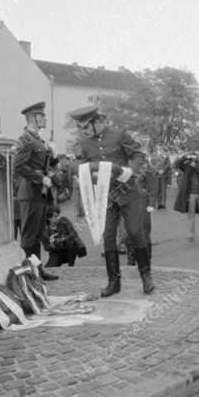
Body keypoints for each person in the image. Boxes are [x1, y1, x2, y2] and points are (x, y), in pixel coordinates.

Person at [70, 105, 153, 295]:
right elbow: (79, 165)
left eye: (85, 127)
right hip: (104, 195)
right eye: (81, 128)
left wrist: (129, 170)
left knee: (134, 232)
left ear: (97, 122)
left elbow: (138, 155)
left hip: (127, 191)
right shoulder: (85, 143)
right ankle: (113, 282)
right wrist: (88, 169)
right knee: (108, 237)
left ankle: (146, 276)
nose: (83, 131)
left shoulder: (119, 134)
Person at [12, 102, 58, 281]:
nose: (45, 119)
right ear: (33, 118)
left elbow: (44, 165)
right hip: (30, 192)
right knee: (29, 236)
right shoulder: (26, 139)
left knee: (37, 234)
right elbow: (19, 166)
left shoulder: (39, 139)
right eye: (42, 116)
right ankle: (28, 273)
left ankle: (37, 270)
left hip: (41, 193)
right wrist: (40, 178)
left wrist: (53, 157)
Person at [174, 153, 199, 242]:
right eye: (192, 158)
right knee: (191, 215)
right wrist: (184, 157)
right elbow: (177, 164)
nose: (193, 159)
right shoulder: (186, 167)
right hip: (190, 194)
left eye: (195, 158)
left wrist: (194, 166)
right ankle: (190, 235)